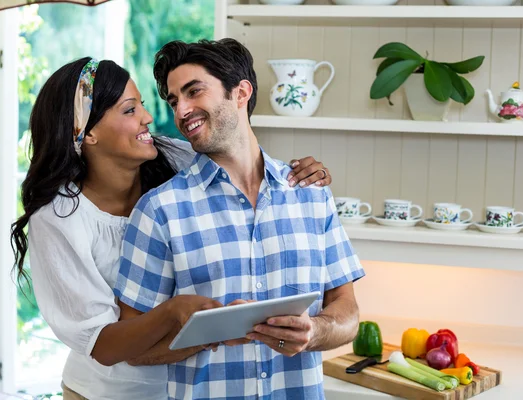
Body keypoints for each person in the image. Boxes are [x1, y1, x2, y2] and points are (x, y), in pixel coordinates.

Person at [10, 57, 334, 400]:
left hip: (185, 389)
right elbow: (102, 345)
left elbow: (245, 163)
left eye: (143, 106)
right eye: (129, 110)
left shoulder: (176, 159)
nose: (148, 118)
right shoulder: (59, 220)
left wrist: (301, 172)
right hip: (108, 393)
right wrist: (173, 312)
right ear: (87, 132)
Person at [114, 39, 366, 400]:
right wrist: (209, 336)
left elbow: (348, 312)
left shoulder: (311, 194)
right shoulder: (159, 211)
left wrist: (314, 330)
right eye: (173, 101)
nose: (181, 110)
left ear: (241, 93)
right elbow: (133, 347)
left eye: (193, 91)